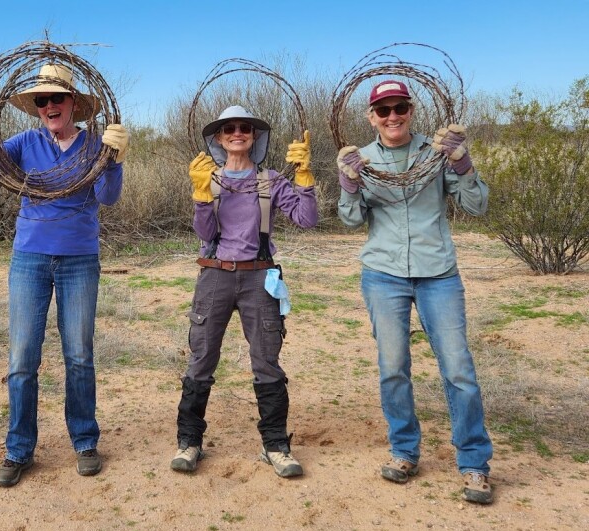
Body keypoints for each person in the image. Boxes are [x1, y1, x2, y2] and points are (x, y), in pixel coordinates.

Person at [0, 63, 129, 487]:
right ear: (36, 108)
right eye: (42, 101)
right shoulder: (25, 142)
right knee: (22, 358)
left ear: (74, 105)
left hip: (79, 259)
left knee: (79, 356)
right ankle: (18, 450)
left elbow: (109, 197)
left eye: (57, 99)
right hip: (29, 258)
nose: (49, 106)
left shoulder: (93, 146)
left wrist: (114, 160)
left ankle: (84, 441)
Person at [337, 80, 494, 504]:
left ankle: (474, 464)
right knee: (393, 368)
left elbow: (477, 206)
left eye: (399, 107)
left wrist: (461, 161)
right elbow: (351, 222)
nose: (392, 116)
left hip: (438, 273)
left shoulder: (438, 153)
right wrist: (348, 182)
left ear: (411, 110)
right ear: (371, 117)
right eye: (383, 110)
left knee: (459, 369)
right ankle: (404, 452)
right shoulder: (362, 160)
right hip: (383, 274)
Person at [171, 105, 318, 477]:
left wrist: (305, 177)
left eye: (245, 128)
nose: (238, 133)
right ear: (219, 138)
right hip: (215, 274)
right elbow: (205, 235)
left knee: (266, 360)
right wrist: (201, 195)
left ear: (255, 137)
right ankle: (189, 443)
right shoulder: (208, 178)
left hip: (259, 276)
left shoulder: (270, 179)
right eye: (229, 129)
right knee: (201, 358)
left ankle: (276, 447)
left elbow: (307, 219)